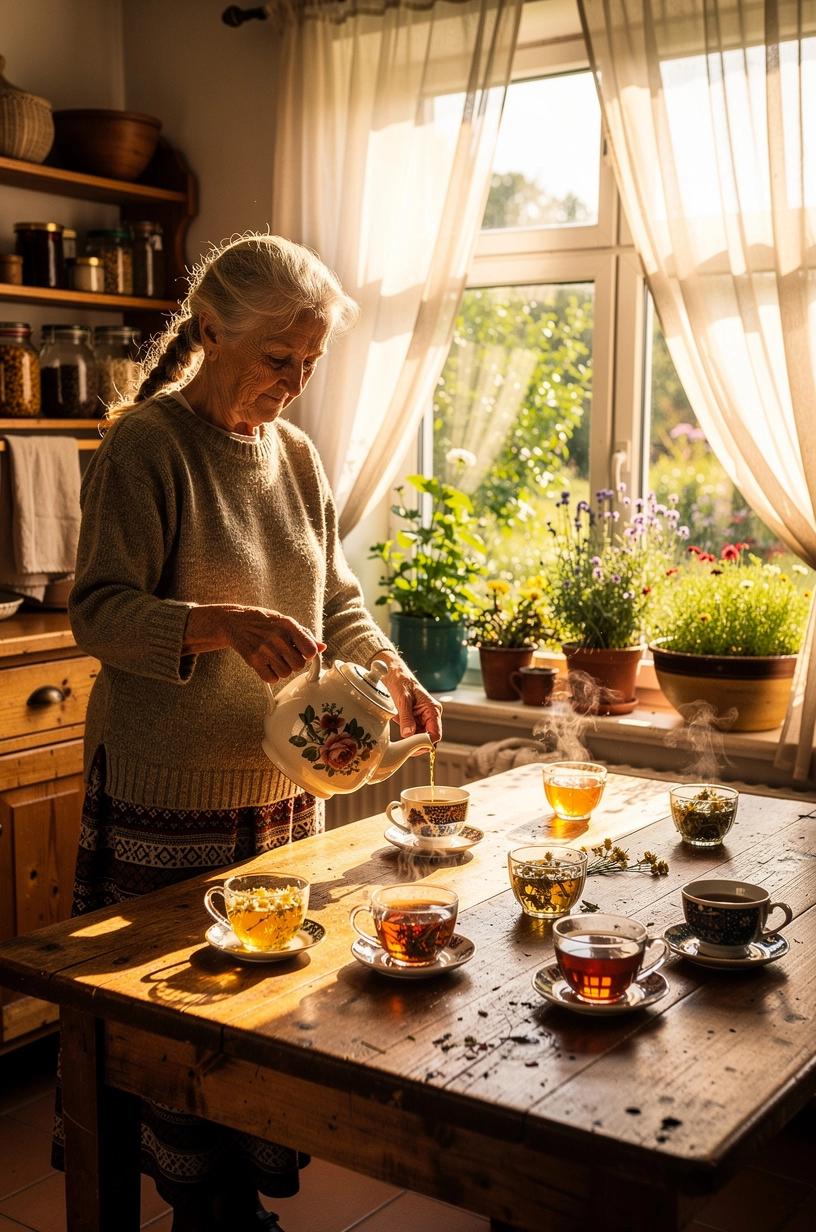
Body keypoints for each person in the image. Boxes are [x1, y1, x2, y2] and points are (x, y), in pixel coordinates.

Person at [53, 233, 443, 1232]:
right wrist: (216, 622)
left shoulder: (299, 457)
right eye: (282, 360)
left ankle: (228, 1212)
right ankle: (213, 1214)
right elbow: (95, 611)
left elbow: (339, 600)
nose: (297, 384)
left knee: (259, 1035)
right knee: (173, 1048)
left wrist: (393, 669)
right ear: (214, 330)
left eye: (310, 363)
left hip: (280, 802)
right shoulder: (148, 443)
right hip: (163, 803)